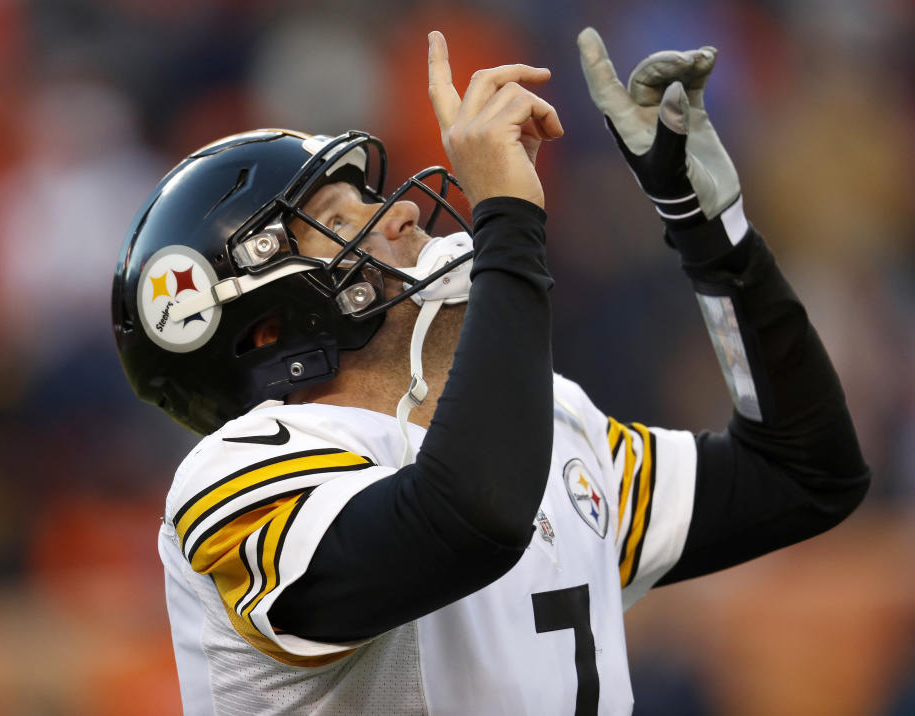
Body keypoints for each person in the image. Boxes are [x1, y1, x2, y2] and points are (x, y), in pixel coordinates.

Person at [112, 28, 869, 716]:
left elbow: (804, 470)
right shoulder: (234, 475)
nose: (399, 214)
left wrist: (713, 233)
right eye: (340, 223)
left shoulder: (553, 423)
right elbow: (467, 520)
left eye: (369, 199)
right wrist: (507, 216)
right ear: (267, 327)